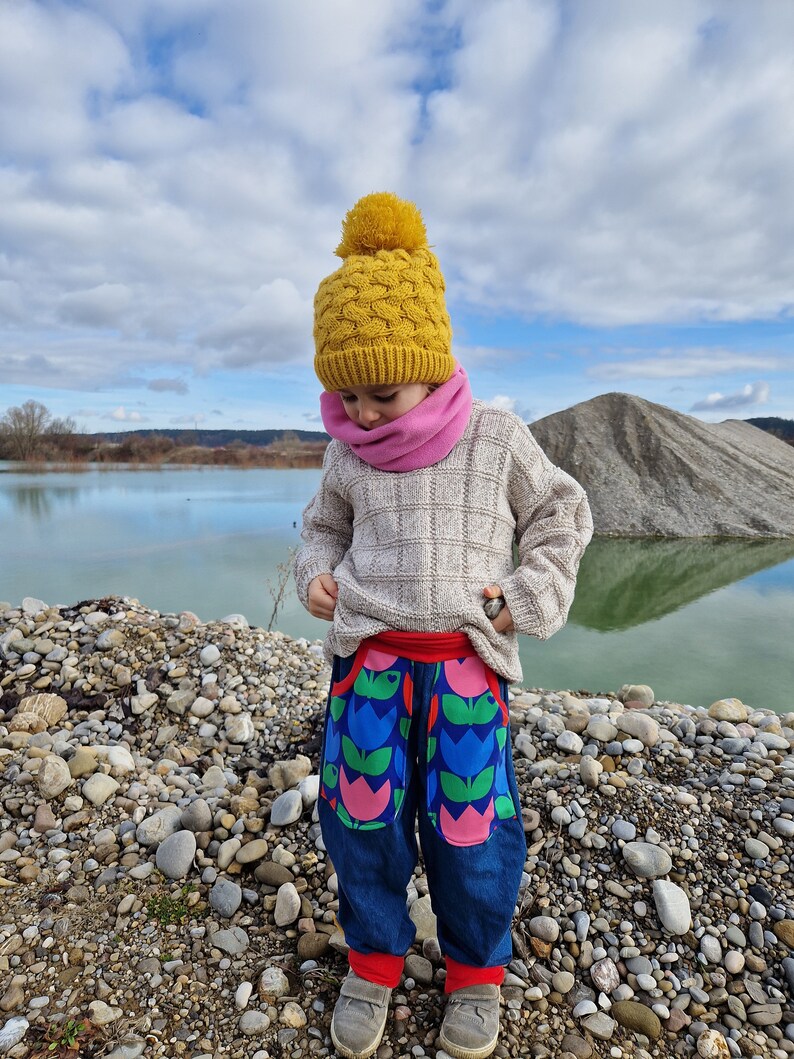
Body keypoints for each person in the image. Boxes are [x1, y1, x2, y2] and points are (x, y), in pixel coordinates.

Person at [294, 192, 593, 1059]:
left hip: (463, 663)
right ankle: (375, 959)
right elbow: (323, 525)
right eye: (345, 396)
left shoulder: (495, 438)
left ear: (429, 360)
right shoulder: (346, 453)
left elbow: (561, 515)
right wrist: (318, 572)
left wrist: (525, 594)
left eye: (381, 392)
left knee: (471, 823)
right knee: (361, 818)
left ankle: (475, 971)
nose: (364, 413)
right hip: (369, 670)